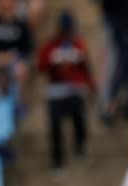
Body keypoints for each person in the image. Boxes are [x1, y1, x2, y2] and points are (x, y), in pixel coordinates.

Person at [36, 10, 95, 173]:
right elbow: (40, 67)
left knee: (80, 120)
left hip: (74, 91)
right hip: (55, 91)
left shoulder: (78, 45)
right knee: (55, 127)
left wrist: (91, 88)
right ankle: (57, 161)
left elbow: (86, 69)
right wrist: (53, 63)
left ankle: (79, 147)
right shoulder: (49, 46)